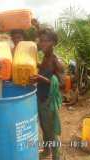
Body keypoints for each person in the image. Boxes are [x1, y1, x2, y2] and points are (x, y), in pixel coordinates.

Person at [30, 28, 65, 160]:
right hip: (41, 96)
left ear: (54, 42)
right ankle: (46, 151)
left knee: (51, 130)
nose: (43, 44)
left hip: (49, 100)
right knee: (44, 127)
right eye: (42, 41)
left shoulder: (57, 61)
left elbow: (61, 83)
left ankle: (56, 156)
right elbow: (46, 70)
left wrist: (40, 78)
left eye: (47, 41)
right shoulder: (45, 57)